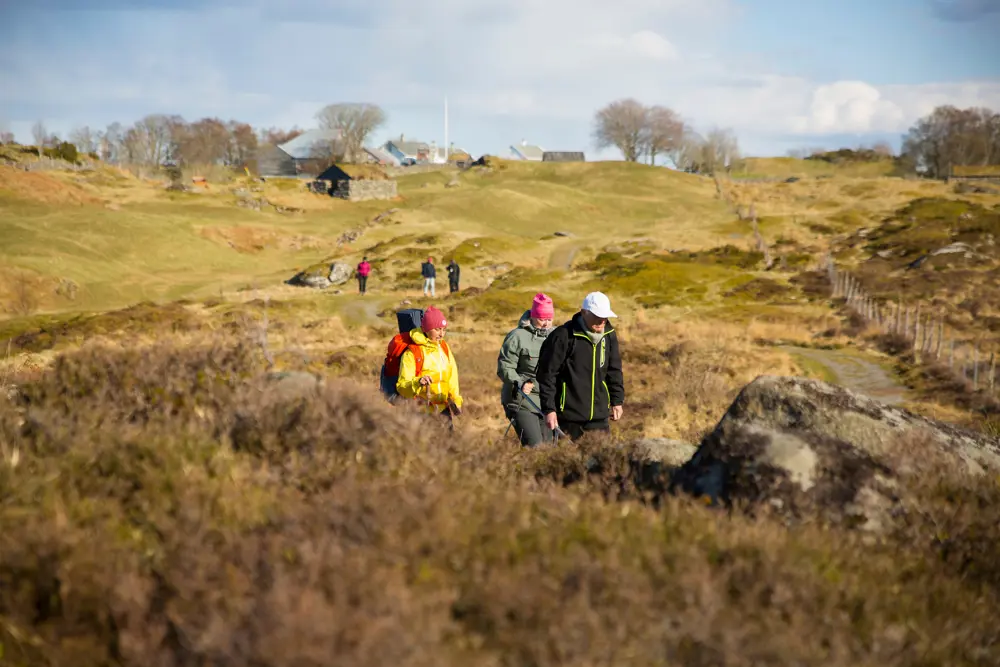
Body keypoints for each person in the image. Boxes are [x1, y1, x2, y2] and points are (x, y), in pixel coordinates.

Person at [535, 291, 624, 442]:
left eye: (604, 316)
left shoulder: (609, 335)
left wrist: (617, 401)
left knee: (602, 461)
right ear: (584, 313)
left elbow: (613, 370)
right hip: (569, 417)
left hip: (600, 416)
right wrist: (549, 409)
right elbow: (547, 375)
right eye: (597, 316)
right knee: (568, 464)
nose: (602, 320)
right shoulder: (563, 336)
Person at [497, 293, 555, 447]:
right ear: (533, 316)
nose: (546, 324)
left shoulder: (557, 336)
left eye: (549, 319)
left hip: (547, 402)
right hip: (521, 400)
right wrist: (520, 382)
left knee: (550, 450)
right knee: (536, 446)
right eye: (542, 319)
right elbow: (504, 366)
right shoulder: (517, 336)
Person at [395, 305, 463, 423]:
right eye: (437, 329)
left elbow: (452, 377)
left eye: (444, 329)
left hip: (443, 411)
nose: (441, 334)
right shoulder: (412, 353)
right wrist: (418, 382)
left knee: (449, 441)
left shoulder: (444, 347)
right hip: (421, 412)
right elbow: (402, 386)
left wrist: (456, 400)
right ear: (426, 329)